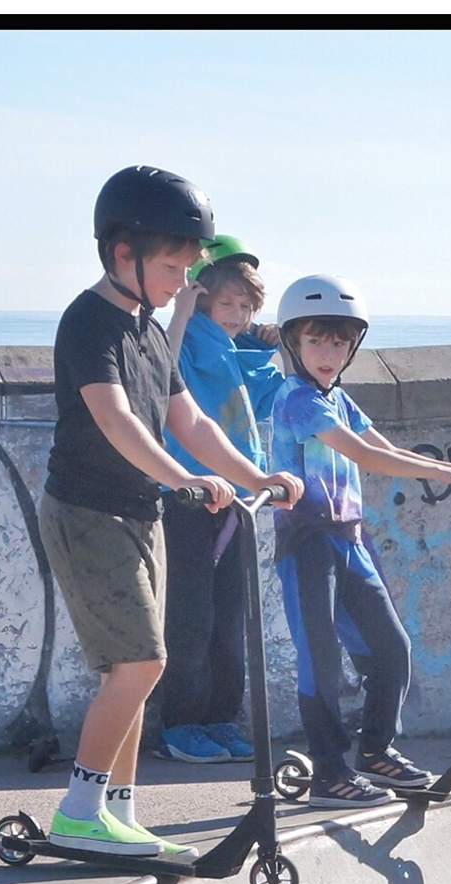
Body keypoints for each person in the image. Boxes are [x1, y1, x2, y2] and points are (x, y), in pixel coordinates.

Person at [40, 168, 303, 857]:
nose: (182, 281)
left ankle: (116, 812)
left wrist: (254, 475)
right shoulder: (90, 320)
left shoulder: (150, 332)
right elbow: (116, 419)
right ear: (122, 254)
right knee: (140, 663)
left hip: (138, 512)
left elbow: (188, 420)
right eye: (171, 265)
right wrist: (187, 482)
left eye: (190, 267)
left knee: (135, 667)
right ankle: (77, 815)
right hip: (89, 511)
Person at [268, 275, 451, 808]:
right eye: (317, 340)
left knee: (390, 648)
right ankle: (328, 772)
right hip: (307, 543)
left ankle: (375, 754)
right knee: (320, 661)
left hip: (347, 540)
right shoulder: (299, 400)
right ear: (293, 343)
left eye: (340, 343)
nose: (329, 353)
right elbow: (367, 458)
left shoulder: (337, 398)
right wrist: (450, 478)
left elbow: (381, 444)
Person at [150, 238, 286, 765]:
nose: (236, 315)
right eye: (226, 304)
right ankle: (178, 725)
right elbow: (161, 368)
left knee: (231, 620)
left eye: (245, 306)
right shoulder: (187, 338)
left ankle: (219, 718)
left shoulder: (235, 348)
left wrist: (272, 340)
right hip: (186, 496)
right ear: (204, 298)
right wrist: (181, 310)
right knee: (191, 618)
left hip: (238, 500)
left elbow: (271, 391)